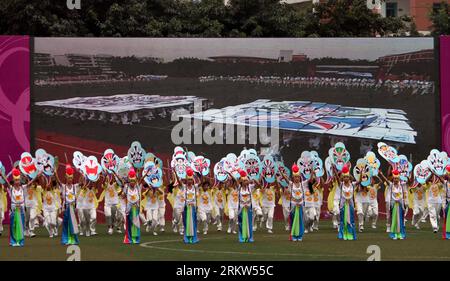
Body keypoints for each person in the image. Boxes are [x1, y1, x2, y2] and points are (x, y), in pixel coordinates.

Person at [2, 168, 39, 246]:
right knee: (13, 225)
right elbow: (6, 181)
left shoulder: (23, 187)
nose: (17, 182)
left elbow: (31, 182)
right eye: (15, 180)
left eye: (18, 180)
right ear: (14, 181)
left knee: (21, 225)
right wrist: (1, 174)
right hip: (14, 209)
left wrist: (37, 176)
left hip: (21, 208)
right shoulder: (11, 188)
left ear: (20, 181)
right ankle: (13, 241)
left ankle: (20, 241)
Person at [115, 168, 147, 244]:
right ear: (129, 182)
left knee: (136, 223)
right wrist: (116, 174)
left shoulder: (138, 187)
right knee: (128, 223)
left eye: (134, 181)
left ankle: (136, 238)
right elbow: (121, 181)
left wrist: (145, 173)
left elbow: (141, 179)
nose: (132, 183)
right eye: (131, 181)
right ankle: (128, 239)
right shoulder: (126, 187)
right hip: (129, 208)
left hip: (135, 208)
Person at [381, 169, 407, 240]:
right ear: (393, 178)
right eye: (395, 178)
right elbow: (386, 180)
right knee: (394, 219)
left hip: (400, 205)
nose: (396, 180)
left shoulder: (402, 185)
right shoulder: (391, 185)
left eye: (397, 178)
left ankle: (400, 234)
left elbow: (409, 182)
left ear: (399, 179)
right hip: (394, 205)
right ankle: (394, 234)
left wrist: (407, 175)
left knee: (400, 220)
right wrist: (381, 174)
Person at [59, 164, 81, 245]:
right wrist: (55, 172)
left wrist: (81, 172)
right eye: (68, 178)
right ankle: (65, 240)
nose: (70, 179)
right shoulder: (63, 186)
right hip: (66, 207)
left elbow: (82, 181)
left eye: (71, 178)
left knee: (73, 224)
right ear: (66, 178)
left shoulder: (75, 186)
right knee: (66, 223)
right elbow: (58, 181)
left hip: (72, 207)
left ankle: (73, 239)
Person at [282, 164, 305, 241]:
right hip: (293, 205)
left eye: (298, 177)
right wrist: (282, 174)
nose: (297, 178)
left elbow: (310, 180)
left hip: (300, 205)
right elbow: (286, 179)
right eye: (295, 177)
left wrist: (312, 172)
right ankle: (293, 235)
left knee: (300, 220)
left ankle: (300, 235)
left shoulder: (302, 184)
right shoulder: (291, 184)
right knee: (293, 220)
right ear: (293, 177)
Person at [334, 165, 357, 241]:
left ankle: (350, 234)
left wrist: (361, 173)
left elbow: (359, 182)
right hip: (343, 205)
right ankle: (343, 234)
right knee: (342, 220)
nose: (346, 178)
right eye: (344, 177)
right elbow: (337, 179)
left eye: (347, 177)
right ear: (342, 178)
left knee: (351, 220)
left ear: (349, 177)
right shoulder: (341, 185)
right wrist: (335, 171)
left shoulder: (352, 185)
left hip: (350, 205)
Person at [180, 168, 199, 244]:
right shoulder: (184, 187)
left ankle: (194, 238)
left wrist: (196, 174)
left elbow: (201, 181)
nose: (190, 181)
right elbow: (179, 181)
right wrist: (176, 172)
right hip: (186, 207)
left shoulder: (195, 187)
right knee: (186, 223)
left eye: (191, 180)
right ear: (186, 180)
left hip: (193, 207)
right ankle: (186, 238)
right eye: (188, 180)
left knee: (193, 222)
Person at [236, 170, 254, 243]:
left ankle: (250, 237)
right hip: (241, 207)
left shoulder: (250, 187)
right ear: (242, 182)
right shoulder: (239, 187)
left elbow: (258, 183)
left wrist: (250, 179)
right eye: (244, 181)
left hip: (248, 207)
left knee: (249, 222)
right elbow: (236, 180)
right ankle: (241, 236)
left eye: (246, 181)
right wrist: (241, 174)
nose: (246, 182)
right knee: (241, 222)